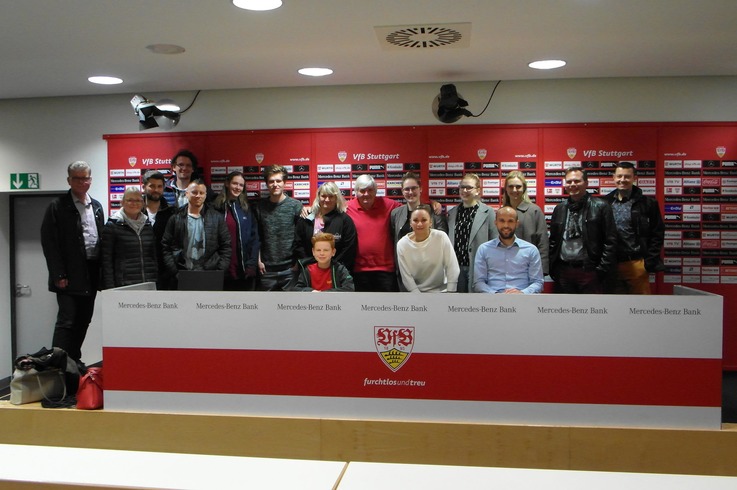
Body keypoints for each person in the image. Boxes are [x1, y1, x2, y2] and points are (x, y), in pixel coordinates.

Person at [40, 160, 104, 368]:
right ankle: (57, 366)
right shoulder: (57, 206)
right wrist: (59, 275)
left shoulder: (96, 206)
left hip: (91, 273)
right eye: (77, 178)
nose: (82, 182)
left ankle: (73, 362)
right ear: (69, 180)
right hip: (68, 275)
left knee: (84, 320)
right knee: (67, 321)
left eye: (85, 178)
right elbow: (49, 243)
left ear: (90, 179)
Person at [549, 167, 617, 294]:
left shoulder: (601, 206)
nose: (572, 185)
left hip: (590, 271)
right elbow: (554, 240)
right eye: (569, 182)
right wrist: (554, 267)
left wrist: (601, 269)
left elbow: (610, 240)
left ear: (586, 183)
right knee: (563, 310)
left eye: (577, 181)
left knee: (591, 310)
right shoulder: (559, 208)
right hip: (563, 271)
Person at [602, 161, 665, 294]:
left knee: (640, 308)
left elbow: (657, 233)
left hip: (637, 264)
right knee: (612, 308)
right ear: (613, 178)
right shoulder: (604, 202)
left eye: (627, 176)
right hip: (610, 265)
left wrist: (648, 262)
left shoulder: (648, 203)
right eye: (619, 176)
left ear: (634, 178)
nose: (622, 180)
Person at [162, 179, 231, 282]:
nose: (198, 195)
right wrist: (175, 271)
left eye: (201, 193)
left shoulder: (217, 218)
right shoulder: (176, 218)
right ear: (187, 193)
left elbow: (226, 247)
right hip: (182, 273)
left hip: (210, 274)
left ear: (206, 195)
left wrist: (218, 271)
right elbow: (166, 246)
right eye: (194, 192)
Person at [346, 174, 403, 291]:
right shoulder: (347, 207)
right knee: (361, 307)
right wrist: (309, 209)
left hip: (386, 270)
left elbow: (410, 208)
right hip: (359, 270)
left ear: (376, 191)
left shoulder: (389, 205)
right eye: (362, 191)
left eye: (370, 190)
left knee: (387, 308)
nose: (366, 194)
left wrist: (430, 203)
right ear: (356, 192)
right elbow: (326, 211)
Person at [254, 164, 304, 291]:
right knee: (265, 308)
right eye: (271, 181)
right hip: (266, 269)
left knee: (291, 308)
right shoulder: (259, 207)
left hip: (290, 269)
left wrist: (298, 262)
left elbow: (302, 238)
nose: (275, 184)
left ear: (284, 183)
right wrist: (258, 260)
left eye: (278, 181)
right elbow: (256, 236)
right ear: (266, 184)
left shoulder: (295, 206)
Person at [473, 206, 543, 294]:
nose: (506, 225)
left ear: (517, 223)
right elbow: (479, 283)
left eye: (510, 221)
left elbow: (537, 282)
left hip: (523, 301)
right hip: (492, 302)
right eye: (502, 221)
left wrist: (522, 293)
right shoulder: (484, 249)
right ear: (496, 222)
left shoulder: (531, 250)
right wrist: (496, 294)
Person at [447, 173, 498, 292]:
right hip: (456, 268)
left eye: (469, 187)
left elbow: (494, 242)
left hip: (478, 268)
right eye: (462, 187)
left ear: (478, 191)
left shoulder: (488, 212)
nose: (464, 190)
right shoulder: (452, 213)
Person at [101, 187, 158, 289]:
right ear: (122, 202)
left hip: (148, 283)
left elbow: (153, 256)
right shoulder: (112, 225)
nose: (134, 203)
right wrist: (110, 288)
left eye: (138, 200)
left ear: (142, 203)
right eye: (130, 200)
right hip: (124, 285)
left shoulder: (148, 225)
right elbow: (106, 261)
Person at [212, 171, 260, 291]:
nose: (237, 187)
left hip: (243, 269)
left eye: (241, 185)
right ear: (227, 183)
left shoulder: (246, 209)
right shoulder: (215, 207)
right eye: (235, 183)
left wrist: (251, 264)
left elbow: (255, 239)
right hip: (220, 268)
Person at [295, 181, 357, 272]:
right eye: (324, 196)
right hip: (309, 270)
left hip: (336, 271)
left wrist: (333, 267)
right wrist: (309, 265)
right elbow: (298, 243)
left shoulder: (345, 220)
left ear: (336, 198)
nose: (327, 200)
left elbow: (349, 248)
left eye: (331, 196)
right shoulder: (307, 218)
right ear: (318, 197)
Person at [397, 205, 459, 293]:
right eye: (415, 220)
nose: (419, 224)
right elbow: (406, 276)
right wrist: (417, 296)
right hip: (417, 293)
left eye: (424, 220)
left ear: (430, 222)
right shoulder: (402, 244)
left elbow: (452, 266)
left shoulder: (441, 237)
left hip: (443, 291)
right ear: (410, 223)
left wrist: (450, 292)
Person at [502, 170, 549, 275]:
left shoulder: (534, 211)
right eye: (511, 186)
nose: (514, 190)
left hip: (529, 267)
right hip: (505, 267)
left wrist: (542, 270)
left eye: (518, 186)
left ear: (524, 188)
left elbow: (543, 243)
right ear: (506, 188)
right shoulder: (502, 212)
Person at [141, 170, 175, 289]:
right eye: (152, 186)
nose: (156, 190)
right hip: (140, 272)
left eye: (159, 186)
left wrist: (172, 269)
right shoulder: (134, 212)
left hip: (165, 274)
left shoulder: (172, 213)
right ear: (144, 187)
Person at [290, 232, 355, 292]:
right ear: (313, 252)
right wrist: (311, 291)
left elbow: (349, 288)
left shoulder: (340, 269)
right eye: (318, 250)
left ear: (333, 252)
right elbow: (296, 289)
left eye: (326, 250)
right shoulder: (307, 270)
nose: (322, 253)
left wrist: (324, 294)